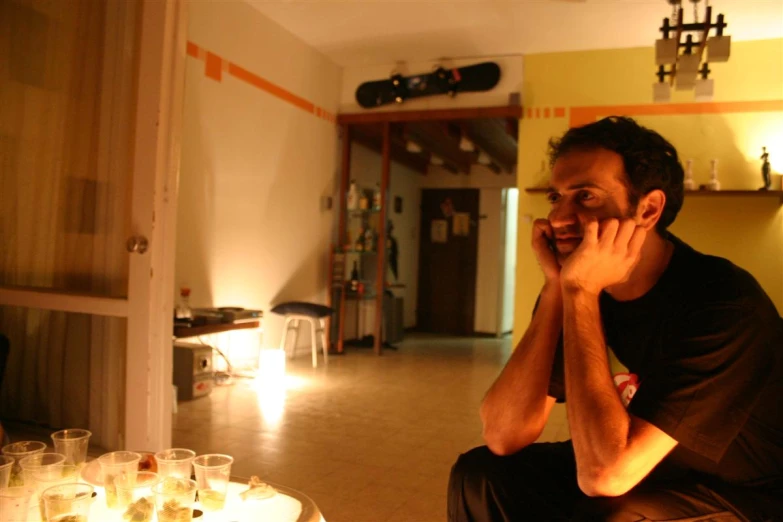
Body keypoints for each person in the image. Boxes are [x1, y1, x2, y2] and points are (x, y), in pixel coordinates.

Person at [448, 116, 783, 521]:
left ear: (648, 209)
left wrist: (581, 293)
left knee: (612, 514)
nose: (557, 219)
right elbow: (503, 435)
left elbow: (605, 475)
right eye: (556, 197)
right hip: (646, 463)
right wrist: (556, 289)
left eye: (585, 196)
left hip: (744, 494)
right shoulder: (577, 283)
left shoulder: (724, 302)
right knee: (480, 474)